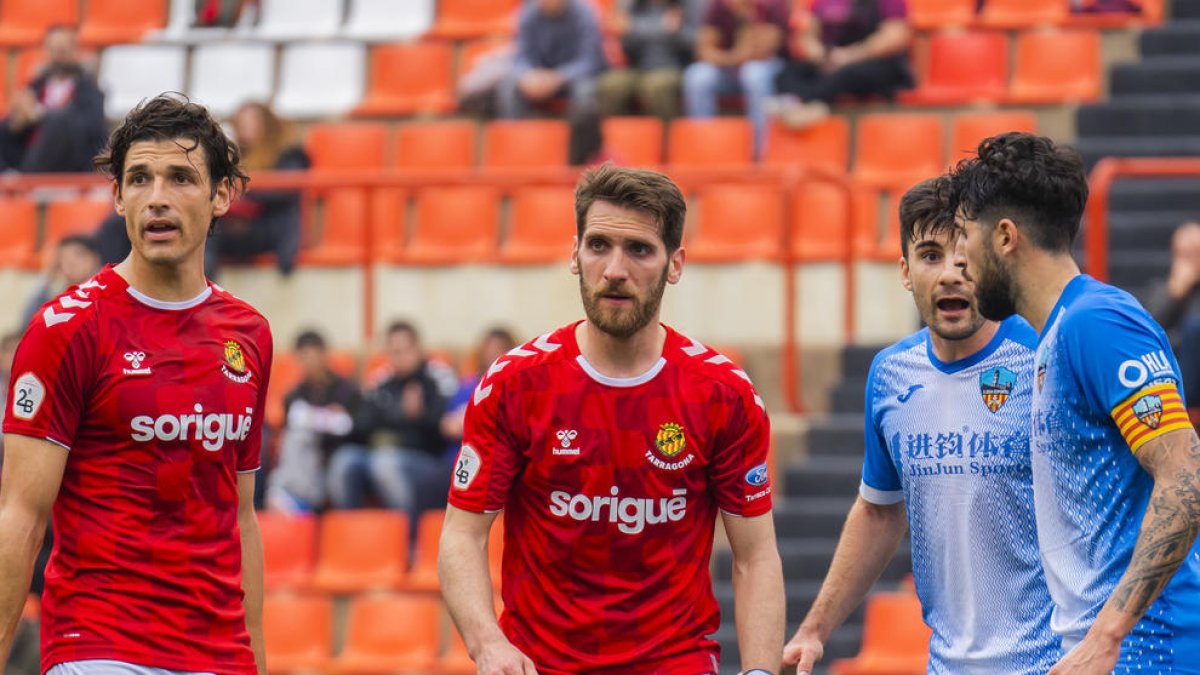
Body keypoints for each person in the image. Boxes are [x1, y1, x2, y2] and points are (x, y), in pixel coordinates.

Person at [438, 164, 784, 674]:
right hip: (541, 665)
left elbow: (755, 557)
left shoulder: (723, 396)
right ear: (574, 254)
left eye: (639, 250)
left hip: (675, 662)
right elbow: (461, 536)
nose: (615, 269)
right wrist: (488, 645)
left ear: (675, 264)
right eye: (598, 245)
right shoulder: (515, 384)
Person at [0, 94, 271, 675]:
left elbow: (240, 515)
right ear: (118, 196)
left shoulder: (249, 335)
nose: (157, 199)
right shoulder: (65, 329)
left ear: (222, 194)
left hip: (219, 654)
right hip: (100, 646)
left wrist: (257, 657)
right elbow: (20, 515)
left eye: (180, 178)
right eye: (139, 179)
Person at [783, 177, 1059, 674]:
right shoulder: (890, 375)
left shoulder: (1044, 355)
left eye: (965, 256)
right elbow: (878, 513)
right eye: (931, 256)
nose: (951, 273)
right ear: (906, 272)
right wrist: (814, 630)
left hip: (1052, 661)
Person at [950, 132, 1200, 672]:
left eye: (965, 236)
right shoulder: (1053, 337)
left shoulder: (1099, 321)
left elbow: (1186, 478)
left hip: (1148, 652)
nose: (959, 259)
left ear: (1005, 237)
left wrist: (1108, 635)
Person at [328, 321, 448, 516]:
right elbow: (362, 425)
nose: (398, 357)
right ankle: (350, 534)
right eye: (393, 351)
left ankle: (408, 534)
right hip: (378, 452)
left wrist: (419, 416)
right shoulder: (381, 383)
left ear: (417, 348)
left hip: (423, 458)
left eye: (403, 350)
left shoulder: (435, 379)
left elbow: (442, 432)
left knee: (384, 463)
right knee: (344, 459)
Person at [769, 0, 913, 129]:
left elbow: (894, 36)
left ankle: (800, 102)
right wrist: (822, 56)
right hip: (831, 59)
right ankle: (803, 103)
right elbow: (808, 36)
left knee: (847, 75)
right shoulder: (821, 3)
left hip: (875, 62)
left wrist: (851, 55)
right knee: (789, 71)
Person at [682, 0, 790, 157]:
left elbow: (764, 49)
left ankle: (759, 151)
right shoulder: (719, 5)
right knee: (697, 76)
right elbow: (704, 50)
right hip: (729, 67)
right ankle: (704, 147)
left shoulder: (772, 4)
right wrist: (732, 58)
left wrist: (746, 17)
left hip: (767, 66)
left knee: (753, 74)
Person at [268, 329, 360, 513]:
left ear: (324, 354)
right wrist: (327, 419)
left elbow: (357, 429)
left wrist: (327, 421)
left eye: (311, 355)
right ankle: (293, 497)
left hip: (336, 454)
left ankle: (302, 500)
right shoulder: (294, 395)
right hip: (306, 460)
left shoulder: (346, 390)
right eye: (302, 357)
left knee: (343, 460)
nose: (308, 362)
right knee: (294, 438)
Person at [215, 101, 309, 276]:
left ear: (267, 124)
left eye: (251, 122)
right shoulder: (234, 157)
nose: (244, 128)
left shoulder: (288, 153)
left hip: (271, 230)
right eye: (241, 123)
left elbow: (286, 189)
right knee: (208, 233)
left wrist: (243, 193)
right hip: (235, 231)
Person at [0, 25, 106, 173]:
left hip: (71, 166)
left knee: (58, 124)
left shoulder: (90, 91)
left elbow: (92, 129)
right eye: (53, 50)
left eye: (63, 50)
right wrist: (17, 124)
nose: (58, 56)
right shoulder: (34, 88)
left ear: (75, 51)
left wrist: (40, 115)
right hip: (30, 159)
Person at [497, 0, 607, 120]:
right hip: (539, 78)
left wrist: (559, 76)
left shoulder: (585, 12)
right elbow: (520, 57)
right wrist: (528, 75)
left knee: (585, 89)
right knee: (509, 86)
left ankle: (580, 137)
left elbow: (591, 60)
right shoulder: (528, 13)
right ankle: (517, 136)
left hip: (573, 77)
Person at [597, 0, 703, 120]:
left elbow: (697, 45)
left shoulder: (687, 6)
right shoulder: (635, 6)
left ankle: (668, 135)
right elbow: (627, 48)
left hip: (674, 68)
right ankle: (616, 136)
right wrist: (625, 35)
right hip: (638, 68)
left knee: (656, 86)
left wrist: (678, 32)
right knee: (611, 85)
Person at [1147, 220, 1200, 403]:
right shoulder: (1161, 290)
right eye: (1185, 255)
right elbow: (1149, 331)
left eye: (1196, 254)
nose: (1192, 261)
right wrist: (1175, 294)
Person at [19, 234, 103, 329]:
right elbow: (27, 325)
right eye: (64, 258)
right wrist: (49, 275)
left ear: (95, 258)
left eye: (78, 255)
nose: (71, 263)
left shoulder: (108, 290)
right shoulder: (58, 294)